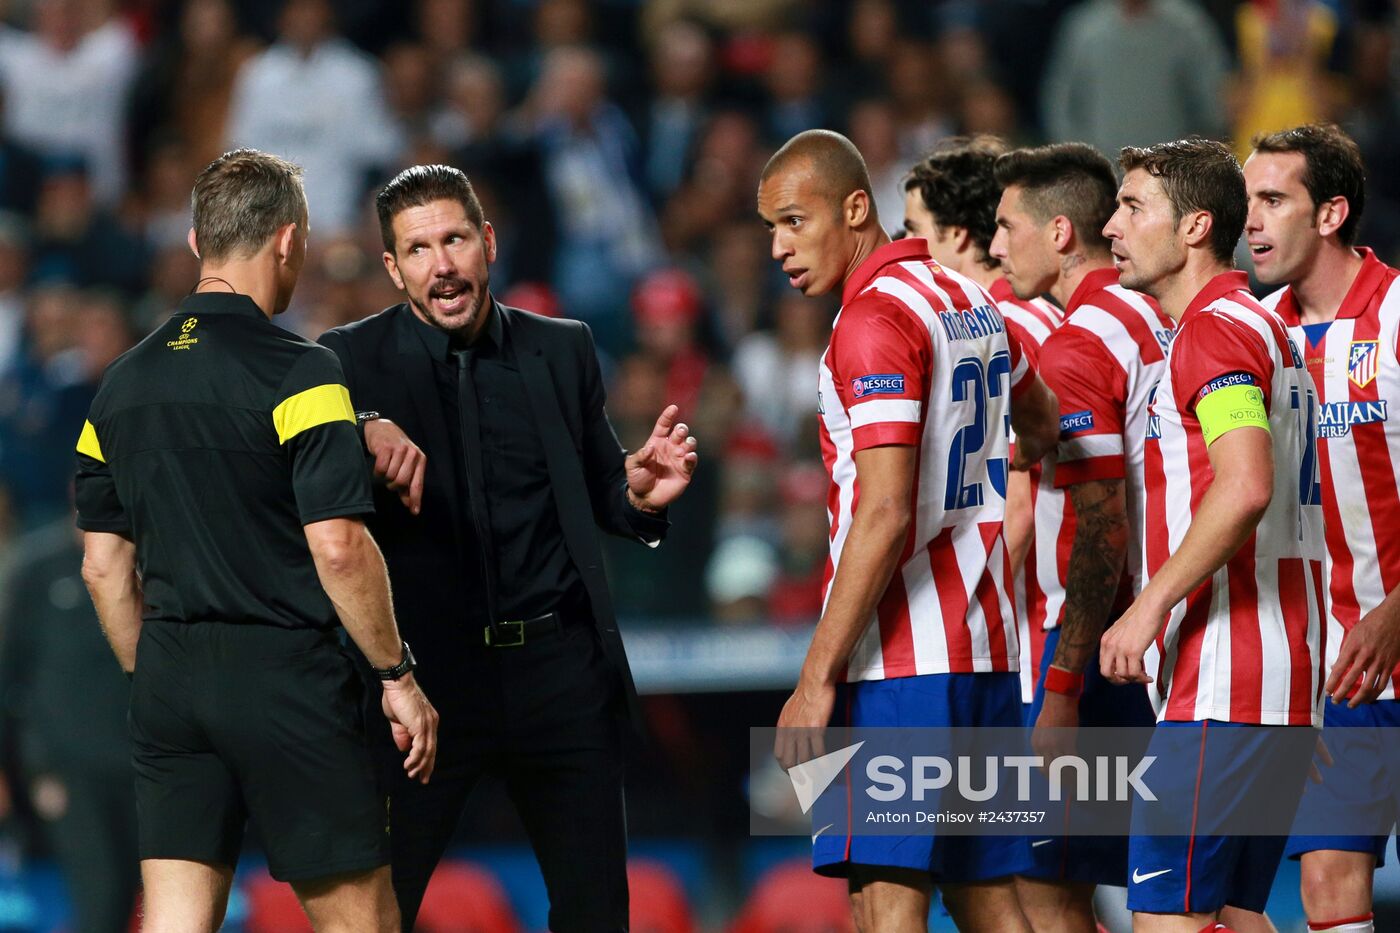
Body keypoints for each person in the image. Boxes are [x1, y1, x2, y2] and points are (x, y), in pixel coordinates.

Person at [318, 163, 699, 932]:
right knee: (378, 914)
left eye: (455, 238)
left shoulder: (562, 348)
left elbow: (601, 485)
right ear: (393, 268)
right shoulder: (344, 362)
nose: (443, 264)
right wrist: (359, 427)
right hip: (423, 686)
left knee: (596, 915)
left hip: (558, 675)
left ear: (487, 242)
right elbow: (285, 463)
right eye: (419, 250)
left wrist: (639, 499)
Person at [73, 148, 438, 933]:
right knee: (359, 921)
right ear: (287, 241)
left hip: (168, 677)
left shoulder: (119, 385)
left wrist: (159, 669)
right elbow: (338, 546)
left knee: (173, 921)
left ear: (201, 243)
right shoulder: (302, 373)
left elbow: (103, 567)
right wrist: (397, 674)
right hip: (286, 679)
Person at [761, 128, 1060, 933]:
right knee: (991, 900)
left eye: (795, 220)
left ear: (857, 207)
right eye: (771, 230)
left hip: (898, 663)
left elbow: (886, 507)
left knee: (883, 901)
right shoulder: (972, 302)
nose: (781, 248)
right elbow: (1042, 421)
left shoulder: (870, 322)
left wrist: (816, 675)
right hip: (986, 652)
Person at [1098, 138, 1325, 932]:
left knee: (1166, 919)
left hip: (1226, 682)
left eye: (1131, 208)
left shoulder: (1213, 332)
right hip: (1279, 683)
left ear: (1195, 227)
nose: (1111, 225)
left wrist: (1147, 605)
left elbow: (1248, 483)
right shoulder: (1268, 329)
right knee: (1233, 913)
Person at [986, 141, 1167, 932]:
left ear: (1060, 232)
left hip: (1093, 652)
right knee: (1181, 897)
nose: (995, 247)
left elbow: (1100, 523)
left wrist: (1061, 688)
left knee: (1049, 893)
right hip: (1154, 641)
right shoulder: (1153, 316)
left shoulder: (1080, 344)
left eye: (1005, 227)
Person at [1247, 123, 1400, 933]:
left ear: (1333, 211)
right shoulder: (1255, 336)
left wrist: (1394, 612)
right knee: (1328, 890)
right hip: (1337, 673)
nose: (1253, 223)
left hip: (1392, 629)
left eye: (1274, 200)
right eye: (1247, 203)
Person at [900, 136, 1065, 713]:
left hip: (1016, 632)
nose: (902, 246)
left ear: (957, 235)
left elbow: (1014, 502)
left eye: (913, 229)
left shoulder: (991, 331)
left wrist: (966, 621)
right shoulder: (1042, 315)